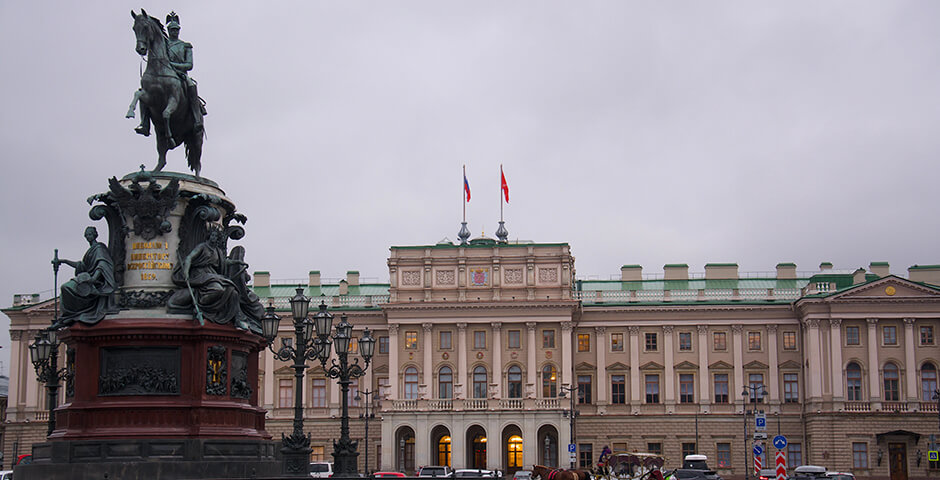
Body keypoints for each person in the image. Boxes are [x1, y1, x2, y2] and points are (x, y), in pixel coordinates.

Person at [134, 11, 205, 136]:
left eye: (176, 29)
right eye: (171, 29)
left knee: (192, 86)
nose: (174, 32)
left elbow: (189, 65)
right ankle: (145, 123)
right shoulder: (162, 44)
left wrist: (173, 65)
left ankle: (196, 118)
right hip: (161, 74)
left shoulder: (185, 46)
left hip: (179, 75)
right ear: (168, 30)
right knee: (144, 93)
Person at [54, 227, 117, 326]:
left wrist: (93, 279)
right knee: (64, 289)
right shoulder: (91, 250)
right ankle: (68, 316)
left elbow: (102, 265)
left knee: (66, 288)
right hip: (86, 278)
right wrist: (64, 261)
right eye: (87, 235)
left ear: (95, 235)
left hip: (96, 281)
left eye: (90, 234)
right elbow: (82, 266)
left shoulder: (99, 248)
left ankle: (71, 315)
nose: (88, 237)